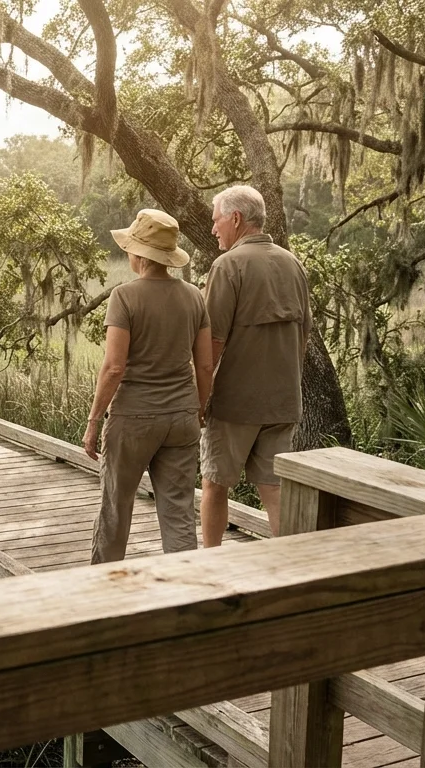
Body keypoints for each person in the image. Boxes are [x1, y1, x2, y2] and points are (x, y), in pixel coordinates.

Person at [84, 209, 215, 563]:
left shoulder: (125, 297)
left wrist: (94, 420)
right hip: (182, 418)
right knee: (178, 511)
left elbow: (113, 367)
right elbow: (204, 364)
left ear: (139, 254)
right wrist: (199, 408)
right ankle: (185, 591)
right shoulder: (193, 297)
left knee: (116, 507)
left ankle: (104, 589)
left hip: (133, 418)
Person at [198, 185, 312, 545]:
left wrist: (200, 398)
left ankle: (210, 564)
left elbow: (211, 342)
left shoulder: (227, 265)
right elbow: (304, 334)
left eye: (216, 220)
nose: (214, 228)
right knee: (274, 487)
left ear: (235, 218)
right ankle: (288, 566)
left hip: (235, 404)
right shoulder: (293, 263)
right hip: (283, 401)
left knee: (215, 483)